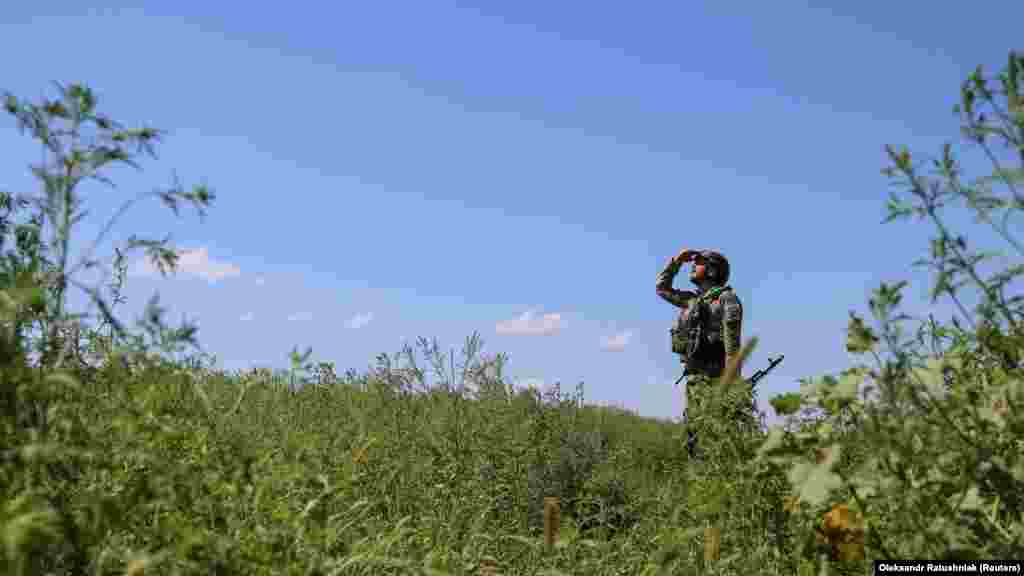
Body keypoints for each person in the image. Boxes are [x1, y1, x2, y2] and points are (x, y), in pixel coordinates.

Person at [656, 248, 744, 458]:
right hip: (695, 379)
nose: (693, 265)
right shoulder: (692, 300)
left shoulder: (727, 300)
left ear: (713, 271)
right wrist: (676, 261)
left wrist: (733, 388)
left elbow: (733, 348)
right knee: (694, 436)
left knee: (715, 437)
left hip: (715, 380)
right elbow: (662, 288)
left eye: (700, 262)